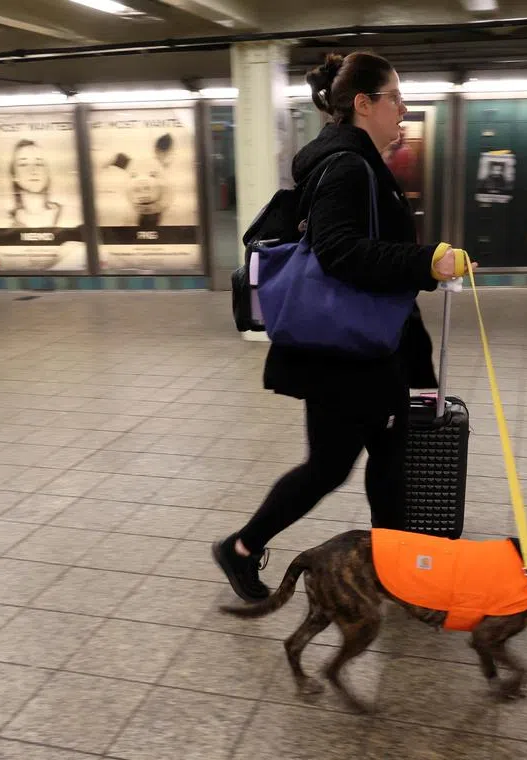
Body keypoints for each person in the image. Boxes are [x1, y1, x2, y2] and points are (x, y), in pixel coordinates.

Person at [213, 52, 472, 602]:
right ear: (364, 104)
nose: (403, 108)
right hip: (346, 352)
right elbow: (338, 252)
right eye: (394, 97)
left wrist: (420, 267)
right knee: (331, 466)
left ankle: (397, 569)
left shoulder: (357, 163)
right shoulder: (350, 167)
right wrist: (424, 262)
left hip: (368, 346)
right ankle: (241, 547)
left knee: (387, 460)